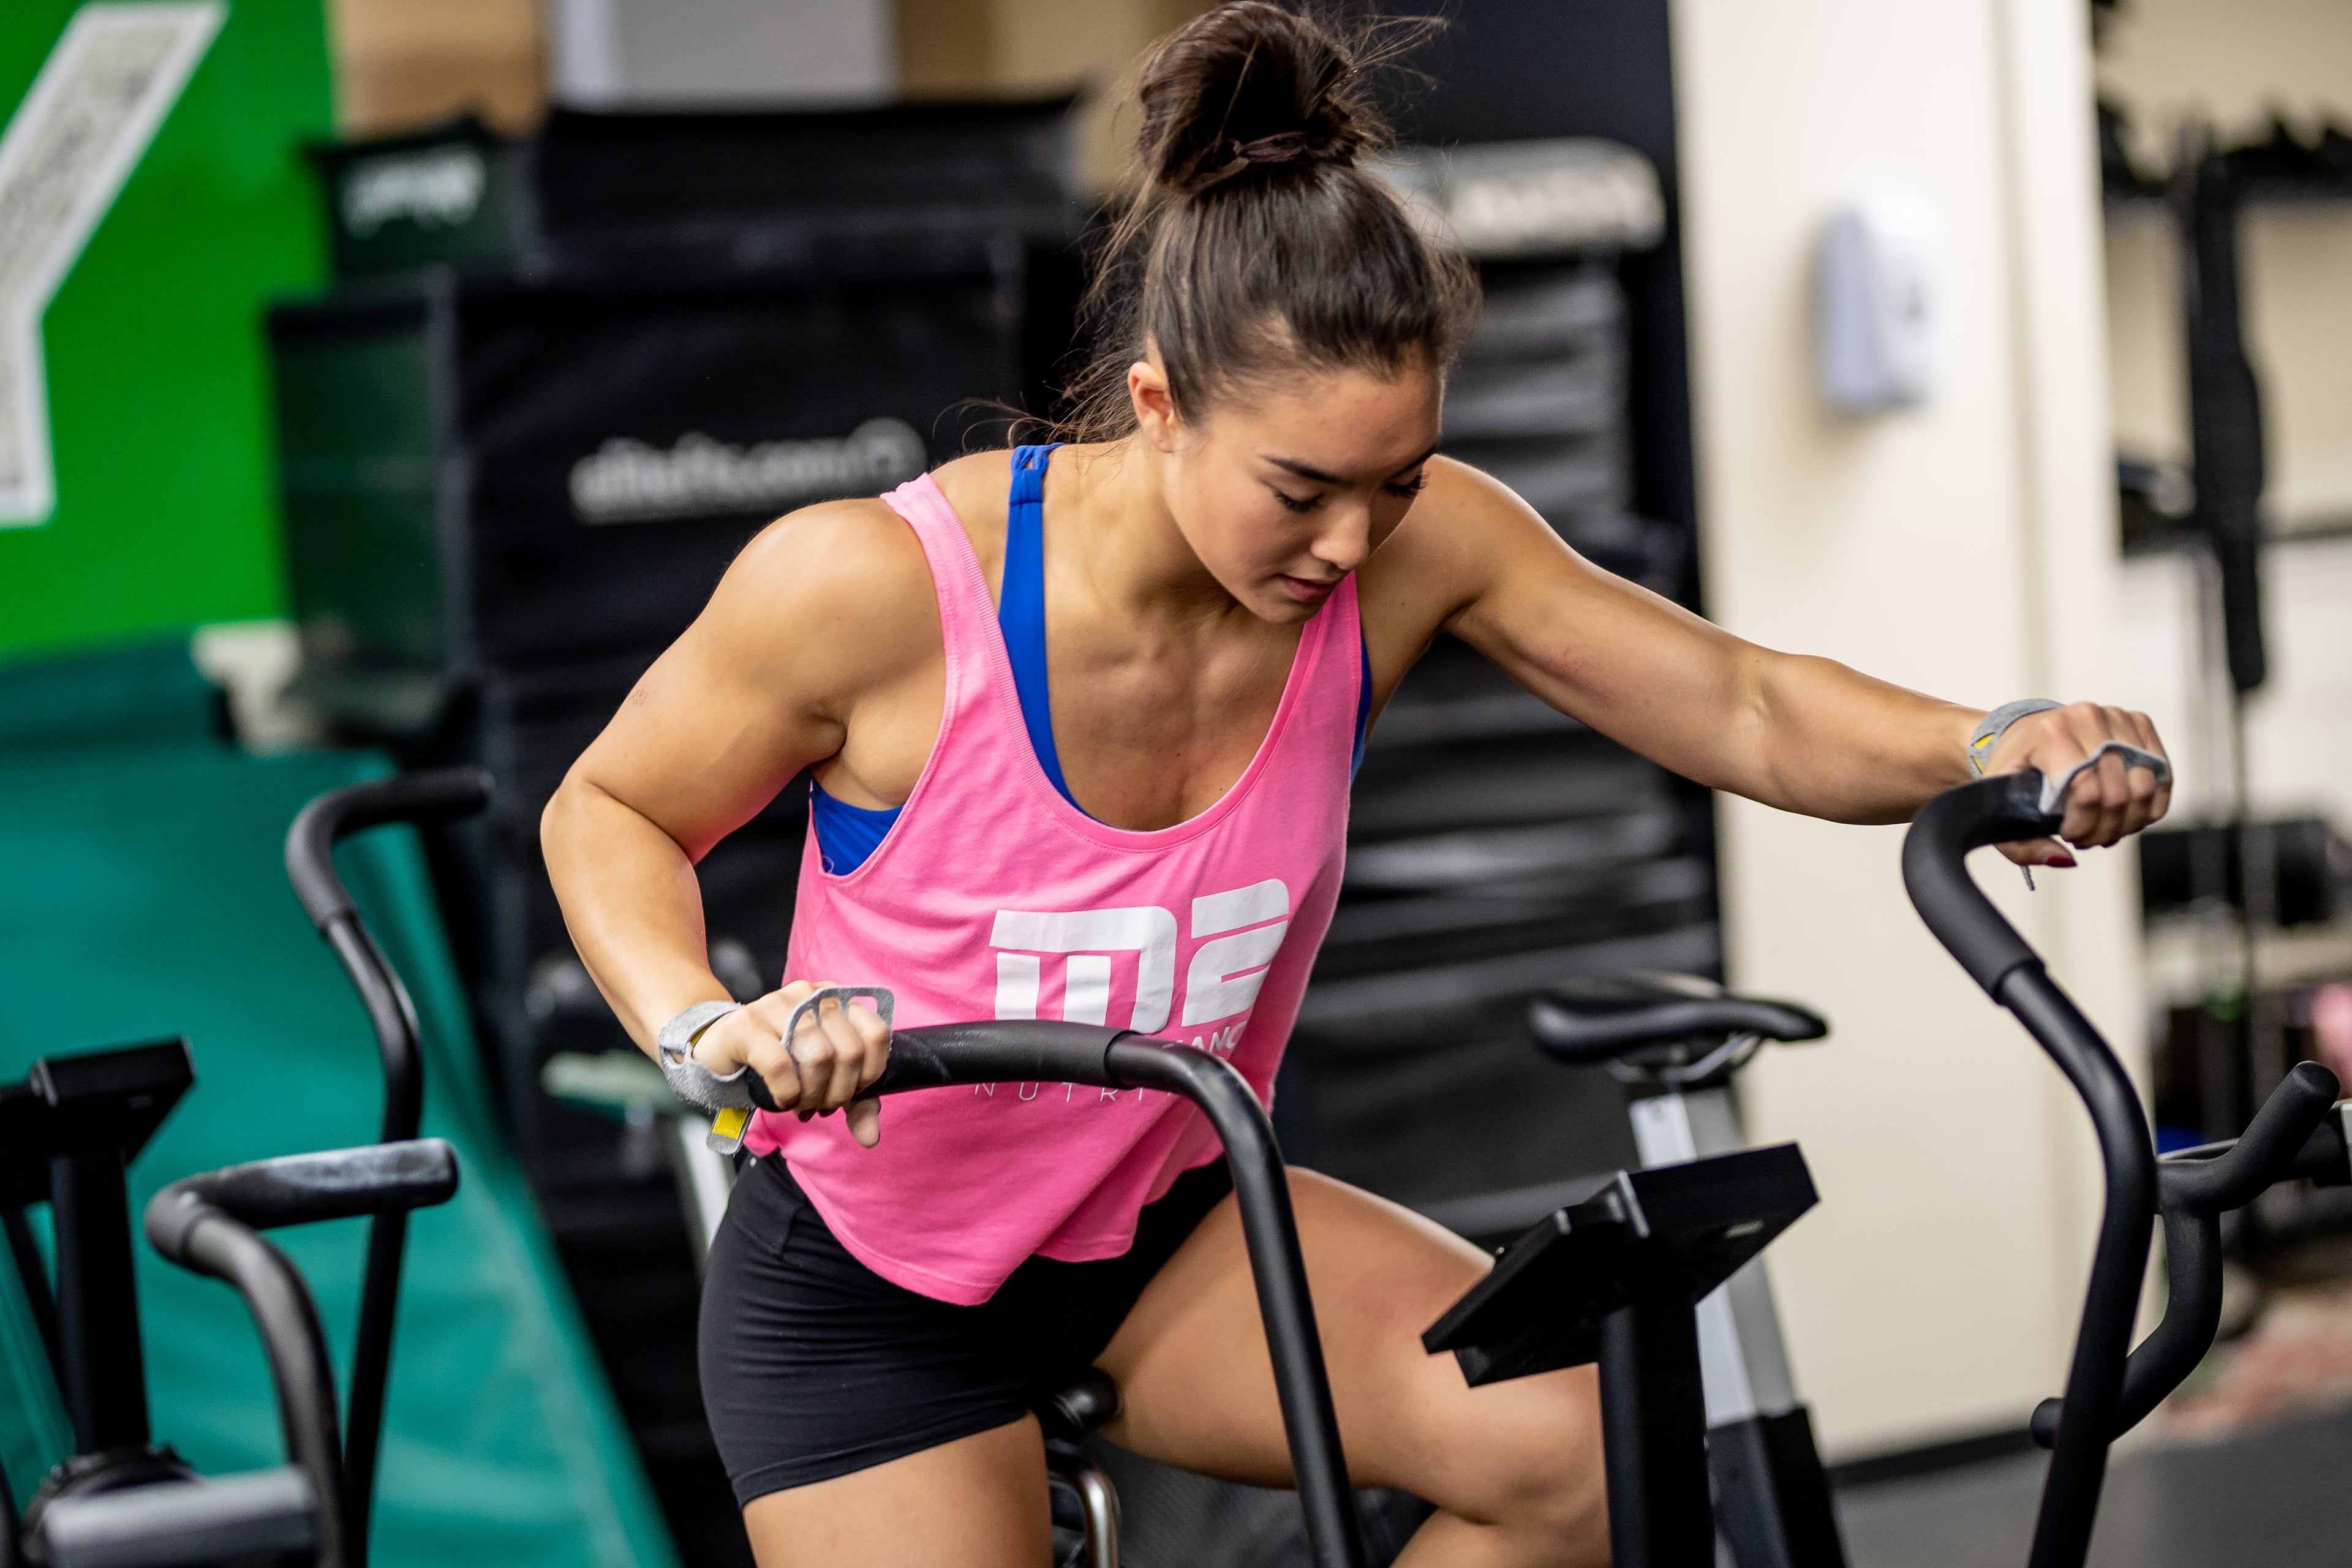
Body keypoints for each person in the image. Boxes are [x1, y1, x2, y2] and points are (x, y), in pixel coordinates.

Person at [541, 6, 2172, 1564]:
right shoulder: (878, 589)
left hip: (1170, 1222)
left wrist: (1995, 740)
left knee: (1579, 1456)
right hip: (876, 1286)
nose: (1348, 545)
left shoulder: (1415, 552)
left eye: (1392, 485)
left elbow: (1737, 703)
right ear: (1162, 402)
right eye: (1302, 489)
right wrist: (708, 1022)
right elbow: (608, 813)